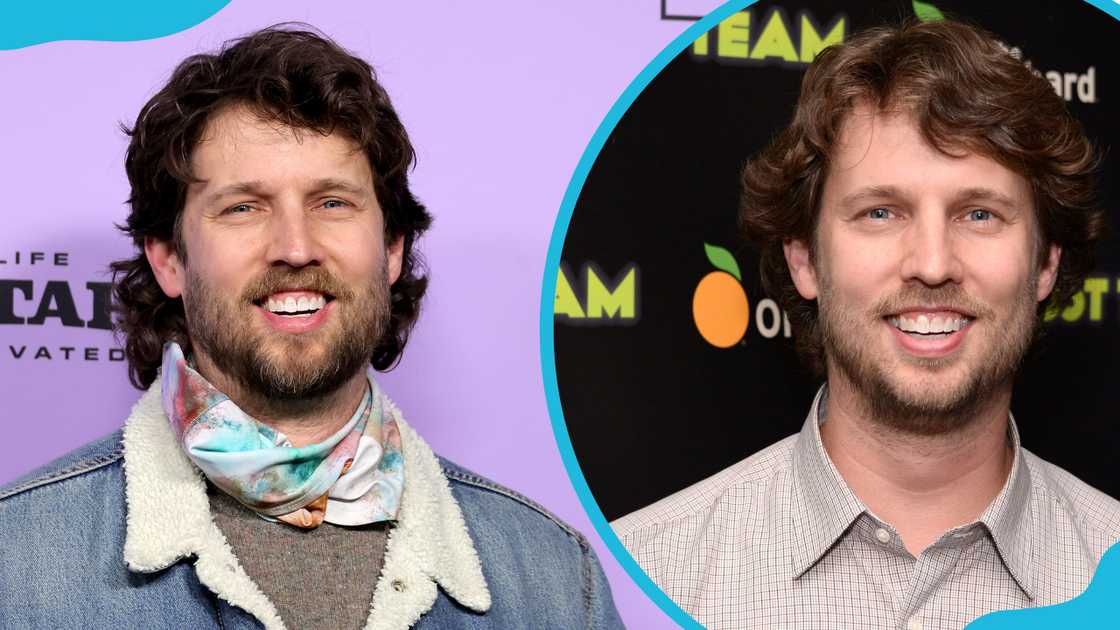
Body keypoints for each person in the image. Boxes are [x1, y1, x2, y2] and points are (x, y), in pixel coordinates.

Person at [0, 26, 623, 630]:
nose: (295, 248)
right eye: (243, 207)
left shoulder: (556, 580)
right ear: (168, 259)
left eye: (332, 203)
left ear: (391, 249)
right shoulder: (15, 564)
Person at [613, 17, 1120, 630]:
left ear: (1044, 264)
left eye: (980, 214)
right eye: (881, 212)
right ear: (805, 259)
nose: (932, 265)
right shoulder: (637, 574)